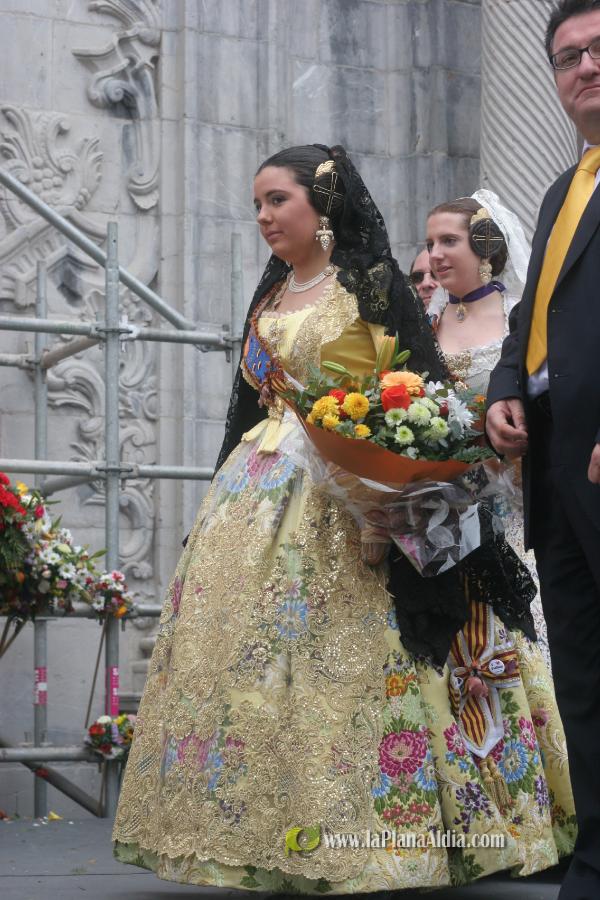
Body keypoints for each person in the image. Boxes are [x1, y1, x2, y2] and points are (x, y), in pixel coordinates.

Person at [112, 144, 572, 895]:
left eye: (278, 200)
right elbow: (249, 403)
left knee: (354, 659)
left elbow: (412, 388)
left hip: (347, 495)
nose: (264, 216)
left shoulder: (370, 283)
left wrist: (387, 496)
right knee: (249, 656)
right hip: (256, 488)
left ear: (322, 206)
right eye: (257, 204)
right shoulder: (272, 292)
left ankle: (380, 834)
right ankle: (250, 828)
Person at [486, 2, 600, 897]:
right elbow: (534, 313)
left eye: (599, 50)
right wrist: (503, 389)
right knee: (584, 669)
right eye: (567, 57)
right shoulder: (565, 189)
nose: (585, 67)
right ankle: (594, 858)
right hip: (556, 459)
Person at [426, 191, 552, 668]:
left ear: (484, 247)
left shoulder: (518, 317)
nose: (435, 255)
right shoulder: (425, 323)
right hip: (442, 506)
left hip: (511, 499)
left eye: (449, 241)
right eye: (430, 243)